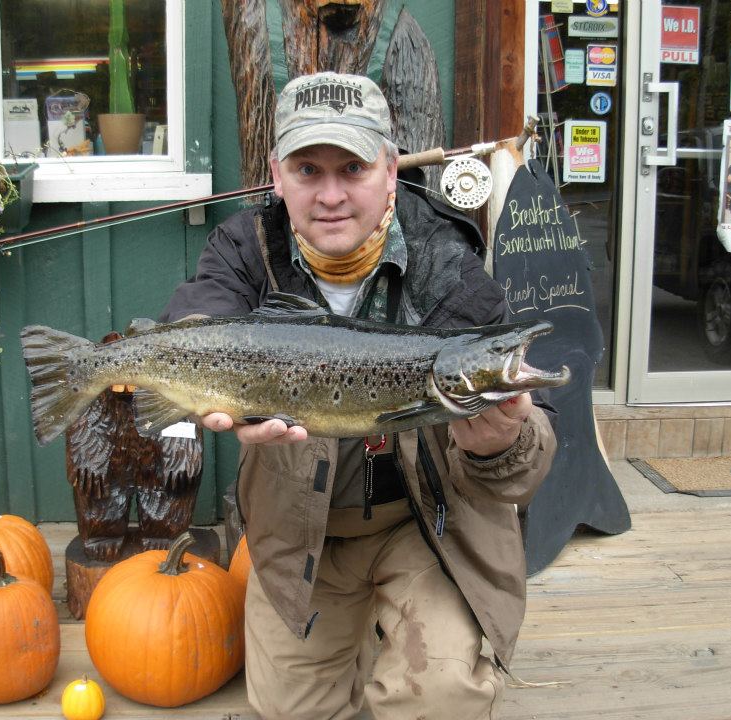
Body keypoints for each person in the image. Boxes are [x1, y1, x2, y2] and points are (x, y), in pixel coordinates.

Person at [160, 71, 557, 720]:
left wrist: (502, 444)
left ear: (391, 169)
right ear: (276, 174)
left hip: (428, 526)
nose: (331, 194)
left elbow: (527, 466)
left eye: (353, 167)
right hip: (299, 536)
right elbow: (200, 315)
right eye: (308, 170)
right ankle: (360, 637)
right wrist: (209, 376)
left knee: (442, 696)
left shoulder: (445, 262)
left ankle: (412, 638)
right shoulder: (246, 248)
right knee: (291, 712)